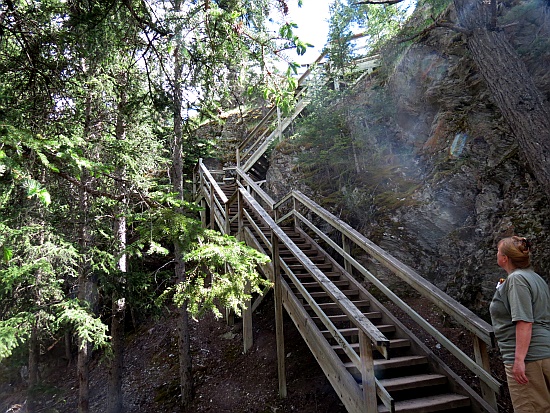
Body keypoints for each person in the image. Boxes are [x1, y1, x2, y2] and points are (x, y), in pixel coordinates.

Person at [489, 236, 550, 413]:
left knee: (530, 408)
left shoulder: (517, 280)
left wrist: (518, 360)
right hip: (544, 350)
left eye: (498, 251)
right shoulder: (534, 277)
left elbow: (524, 321)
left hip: (530, 357)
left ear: (505, 258)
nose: (496, 254)